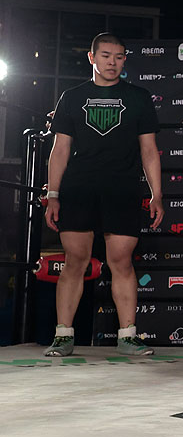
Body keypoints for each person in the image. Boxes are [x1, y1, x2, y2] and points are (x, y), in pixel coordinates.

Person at [43, 33, 164, 357]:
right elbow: (60, 149)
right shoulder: (71, 97)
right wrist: (53, 194)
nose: (113, 62)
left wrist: (157, 194)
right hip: (79, 188)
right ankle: (63, 335)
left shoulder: (139, 97)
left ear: (125, 60)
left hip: (122, 188)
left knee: (121, 261)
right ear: (92, 57)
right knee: (74, 260)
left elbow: (149, 150)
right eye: (106, 55)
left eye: (119, 56)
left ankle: (128, 336)